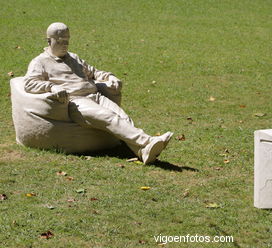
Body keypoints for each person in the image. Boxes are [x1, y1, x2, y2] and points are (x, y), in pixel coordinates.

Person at [24, 22, 173, 164]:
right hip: (76, 102)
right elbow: (29, 83)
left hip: (95, 96)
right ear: (49, 41)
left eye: (67, 40)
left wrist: (110, 77)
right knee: (108, 117)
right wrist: (51, 87)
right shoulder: (40, 62)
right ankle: (148, 141)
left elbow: (94, 73)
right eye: (60, 41)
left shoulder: (74, 57)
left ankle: (143, 152)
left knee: (123, 117)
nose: (65, 45)